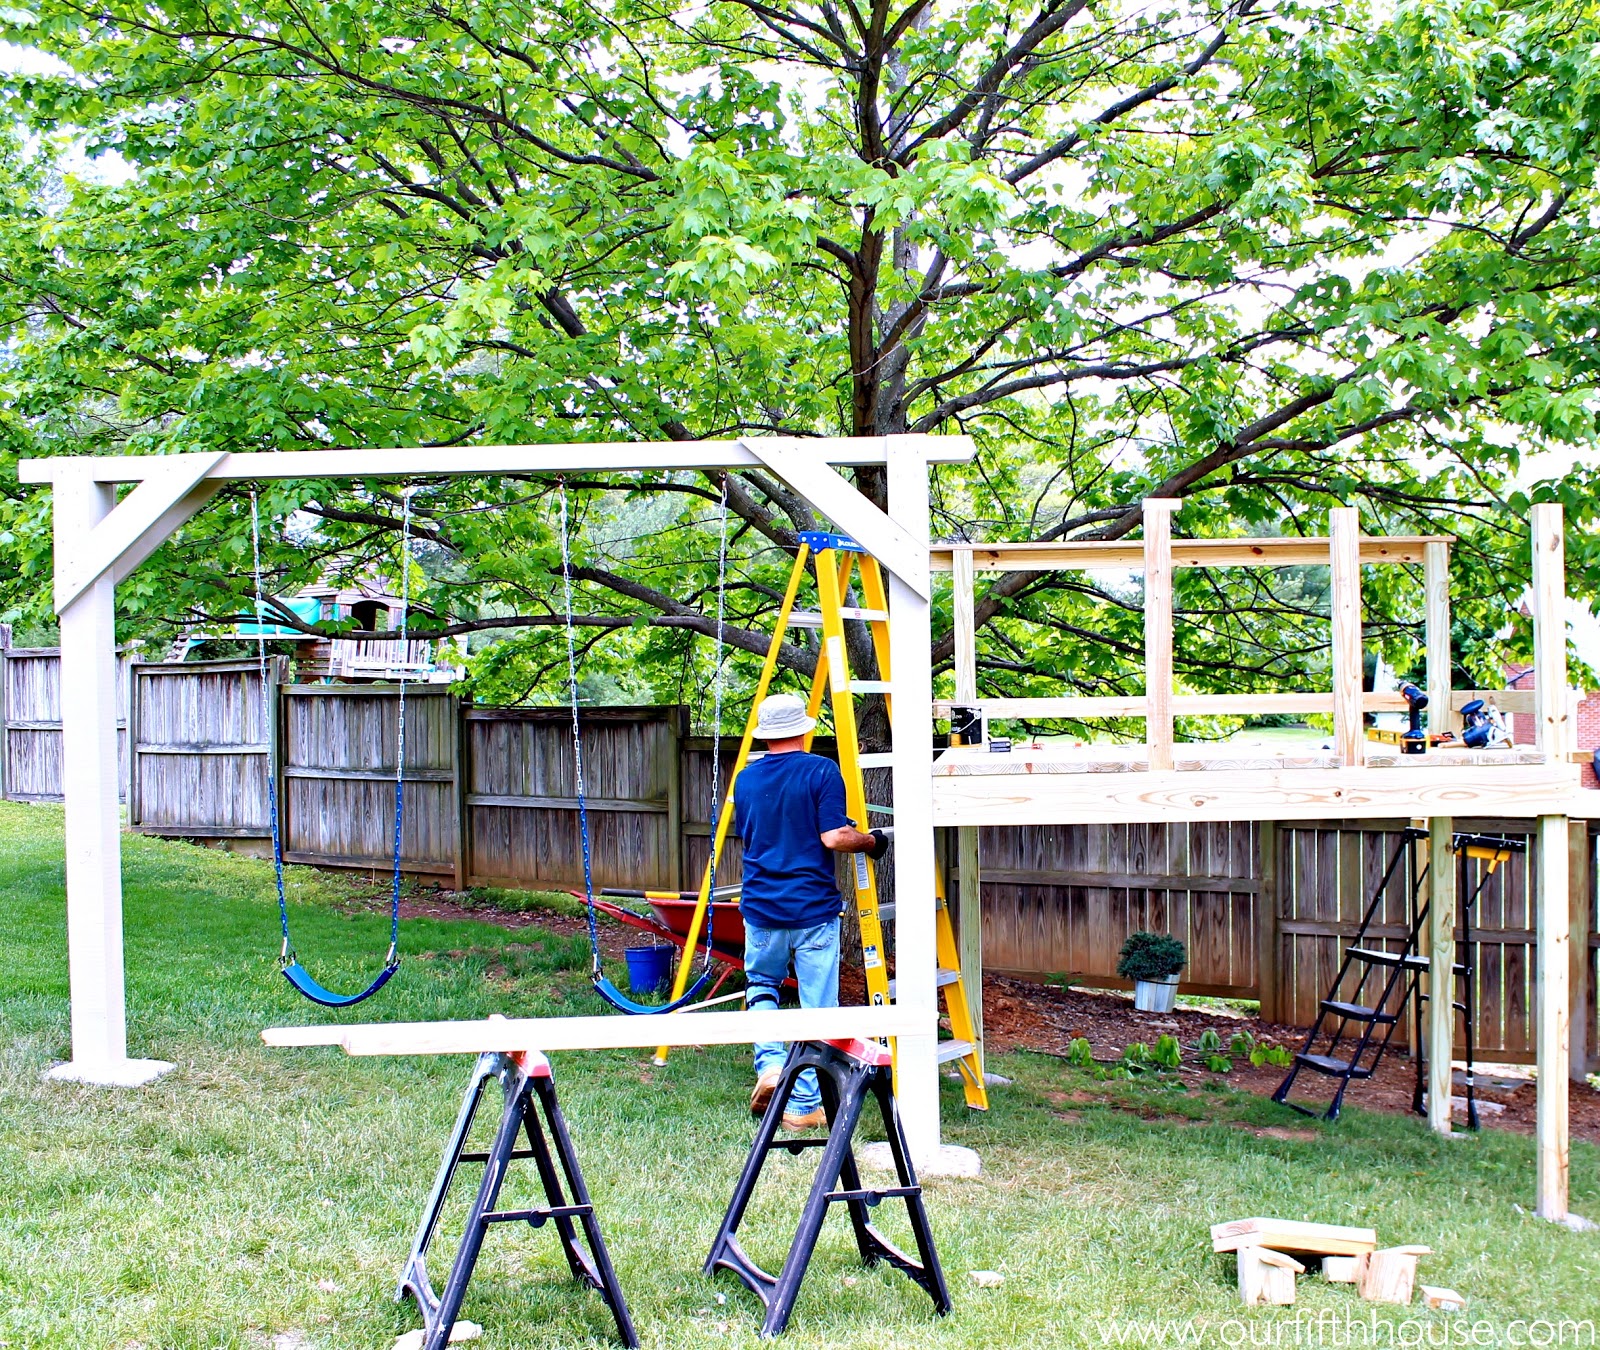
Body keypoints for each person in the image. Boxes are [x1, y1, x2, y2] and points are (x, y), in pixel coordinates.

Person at [734, 693, 889, 1130]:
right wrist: (872, 841)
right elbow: (834, 837)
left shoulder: (744, 780)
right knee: (816, 1007)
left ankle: (769, 1066)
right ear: (804, 730)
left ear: (766, 735)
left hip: (762, 906)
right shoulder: (822, 770)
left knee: (761, 985)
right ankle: (802, 1106)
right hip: (812, 910)